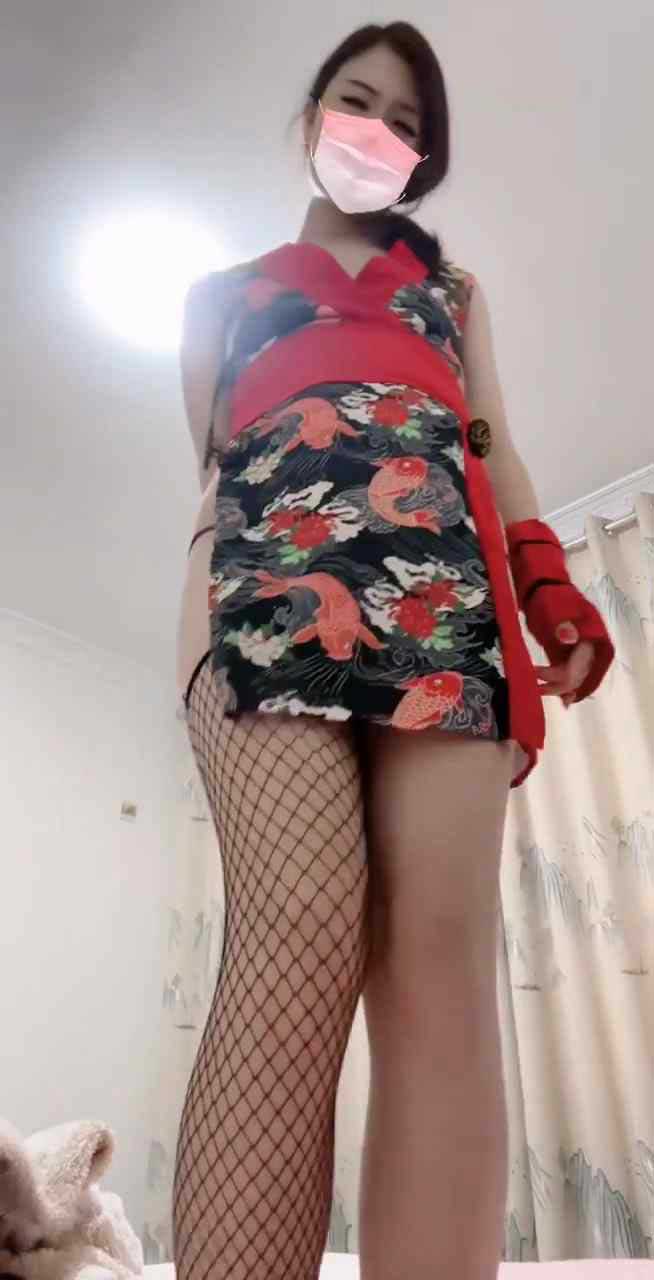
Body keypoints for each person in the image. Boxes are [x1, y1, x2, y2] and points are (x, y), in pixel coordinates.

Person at [172, 21, 614, 1280]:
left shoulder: (453, 292)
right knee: (299, 924)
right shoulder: (219, 295)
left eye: (408, 124)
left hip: (444, 607)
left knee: (439, 967)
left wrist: (549, 587)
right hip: (263, 589)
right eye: (358, 101)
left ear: (427, 159)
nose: (378, 132)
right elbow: (217, 465)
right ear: (312, 113)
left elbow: (494, 445)